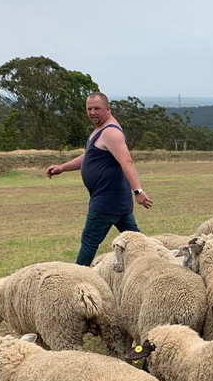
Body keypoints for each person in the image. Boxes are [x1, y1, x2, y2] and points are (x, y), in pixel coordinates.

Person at [47, 92, 152, 265]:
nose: (92, 112)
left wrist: (138, 191)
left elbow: (127, 162)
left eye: (97, 108)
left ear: (108, 109)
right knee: (137, 243)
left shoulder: (111, 132)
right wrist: (62, 168)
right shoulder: (100, 130)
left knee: (89, 242)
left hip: (106, 202)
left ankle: (77, 279)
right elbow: (89, 157)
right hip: (116, 201)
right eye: (89, 109)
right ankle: (153, 267)